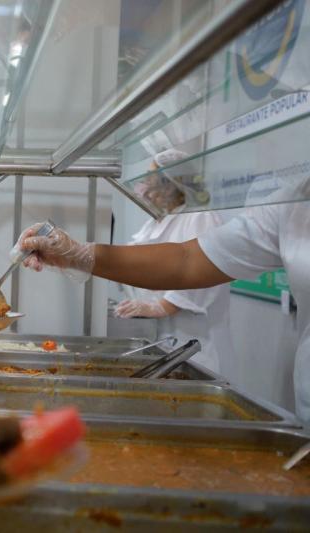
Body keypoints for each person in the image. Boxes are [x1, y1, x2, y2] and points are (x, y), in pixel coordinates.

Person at [16, 198, 310, 423]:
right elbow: (187, 260)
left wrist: (160, 306)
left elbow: (192, 273)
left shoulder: (203, 214)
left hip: (205, 345)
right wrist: (76, 253)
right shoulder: (296, 203)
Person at [113, 149, 233, 372]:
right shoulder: (157, 222)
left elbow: (204, 270)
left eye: (151, 182)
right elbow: (136, 259)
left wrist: (161, 306)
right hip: (163, 341)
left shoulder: (200, 217)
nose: (146, 192)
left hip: (196, 345)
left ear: (172, 184)